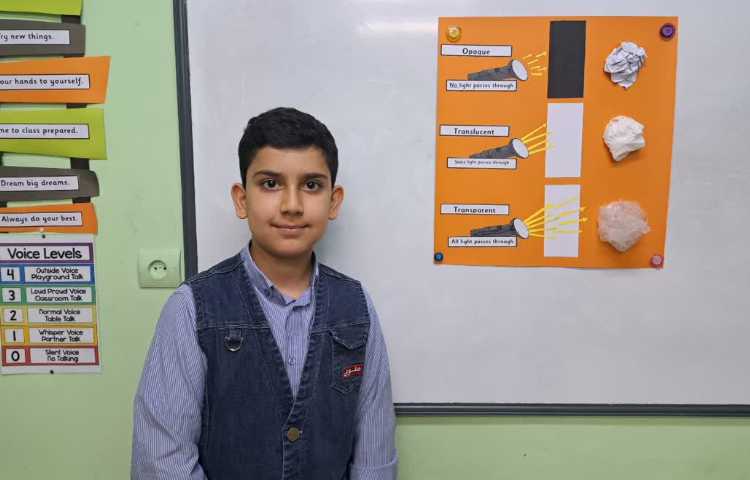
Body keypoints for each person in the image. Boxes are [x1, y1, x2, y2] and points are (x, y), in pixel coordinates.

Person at [131, 107, 398, 479]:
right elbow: (161, 461)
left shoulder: (355, 307)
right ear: (242, 199)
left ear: (334, 201)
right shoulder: (192, 309)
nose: (292, 206)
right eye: (271, 184)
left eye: (311, 185)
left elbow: (374, 456)